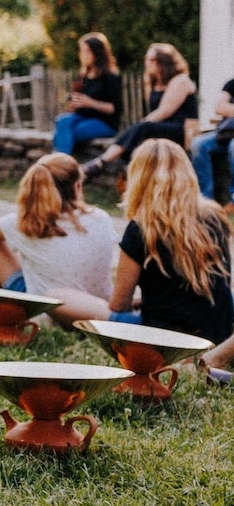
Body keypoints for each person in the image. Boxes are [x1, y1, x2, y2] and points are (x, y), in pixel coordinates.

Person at [0, 154, 119, 325]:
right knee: (32, 253)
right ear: (77, 186)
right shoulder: (102, 218)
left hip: (41, 312)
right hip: (93, 308)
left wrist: (21, 216)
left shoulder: (28, 224)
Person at [108, 140, 234, 346]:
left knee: (92, 311)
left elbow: (119, 304)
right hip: (216, 334)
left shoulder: (141, 228)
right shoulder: (215, 216)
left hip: (165, 338)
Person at [81, 43, 197, 178]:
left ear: (165, 61)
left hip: (181, 128)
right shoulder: (154, 83)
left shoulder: (180, 80)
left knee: (141, 128)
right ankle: (109, 165)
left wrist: (140, 125)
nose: (147, 63)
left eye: (152, 60)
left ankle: (101, 162)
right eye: (147, 59)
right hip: (161, 126)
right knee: (139, 130)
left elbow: (164, 111)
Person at [51, 32, 122, 154]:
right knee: (62, 121)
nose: (82, 55)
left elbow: (116, 109)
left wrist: (92, 103)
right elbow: (83, 104)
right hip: (84, 117)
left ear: (97, 53)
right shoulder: (85, 75)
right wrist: (75, 104)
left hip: (104, 122)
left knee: (66, 132)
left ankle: (61, 164)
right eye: (81, 51)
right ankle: (62, 162)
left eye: (86, 51)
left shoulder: (110, 77)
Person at [190, 75, 234, 203]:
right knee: (198, 144)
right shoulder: (232, 84)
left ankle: (233, 198)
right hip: (226, 132)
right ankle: (206, 198)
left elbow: (225, 108)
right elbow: (219, 107)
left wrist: (229, 109)